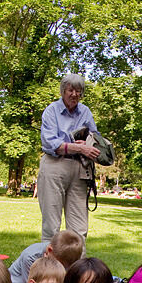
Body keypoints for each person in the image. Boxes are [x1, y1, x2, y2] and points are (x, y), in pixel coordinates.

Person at [38, 73, 99, 243]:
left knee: (79, 227)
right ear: (63, 91)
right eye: (70, 90)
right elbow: (51, 144)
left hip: (79, 167)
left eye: (78, 91)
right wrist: (79, 147)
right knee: (51, 225)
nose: (74, 94)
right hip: (54, 166)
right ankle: (51, 268)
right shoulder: (51, 111)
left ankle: (78, 269)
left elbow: (96, 138)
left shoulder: (85, 112)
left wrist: (88, 142)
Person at [8, 230, 84, 283]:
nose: (62, 268)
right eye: (60, 264)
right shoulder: (30, 257)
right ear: (49, 250)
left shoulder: (66, 257)